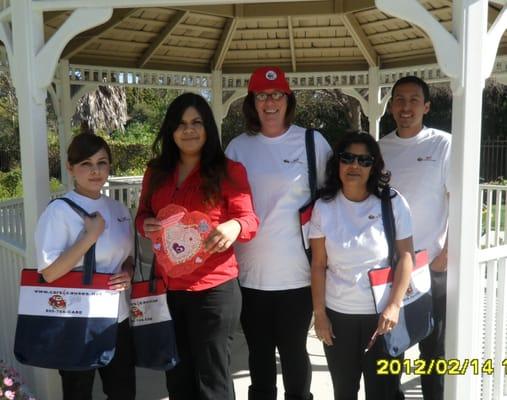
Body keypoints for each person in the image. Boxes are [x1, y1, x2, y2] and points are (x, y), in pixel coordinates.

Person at [135, 92, 259, 400]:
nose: (188, 130)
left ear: (208, 129)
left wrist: (235, 225)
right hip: (168, 289)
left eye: (196, 122)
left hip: (214, 291)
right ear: (170, 131)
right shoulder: (156, 172)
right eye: (181, 124)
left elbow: (249, 219)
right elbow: (142, 215)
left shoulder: (229, 171)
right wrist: (145, 225)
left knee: (213, 382)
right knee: (177, 378)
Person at [225, 66, 331, 400]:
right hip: (249, 274)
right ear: (252, 102)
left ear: (288, 99)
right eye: (261, 96)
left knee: (294, 353)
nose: (270, 102)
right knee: (258, 356)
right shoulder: (238, 148)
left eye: (277, 95)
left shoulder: (313, 142)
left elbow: (335, 198)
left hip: (298, 274)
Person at [310, 131, 414, 400]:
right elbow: (319, 264)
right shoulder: (324, 207)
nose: (354, 165)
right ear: (338, 163)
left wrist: (394, 305)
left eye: (364, 160)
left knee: (384, 392)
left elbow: (406, 256)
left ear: (374, 166)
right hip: (338, 318)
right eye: (348, 158)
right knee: (344, 392)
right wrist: (319, 315)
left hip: (383, 318)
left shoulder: (392, 203)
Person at [34, 133, 135, 400]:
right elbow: (49, 272)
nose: (95, 171)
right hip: (76, 321)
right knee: (78, 393)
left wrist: (127, 274)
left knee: (123, 391)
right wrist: (88, 237)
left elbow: (127, 258)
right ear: (70, 168)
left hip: (117, 319)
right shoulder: (59, 211)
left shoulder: (119, 209)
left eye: (102, 162)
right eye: (85, 164)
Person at [379, 76, 450, 400]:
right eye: (399, 100)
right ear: (391, 105)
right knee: (390, 351)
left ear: (426, 106)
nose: (405, 107)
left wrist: (445, 254)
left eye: (413, 100)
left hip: (431, 266)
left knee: (433, 353)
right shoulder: (380, 149)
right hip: (389, 269)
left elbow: (460, 201)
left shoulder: (443, 144)